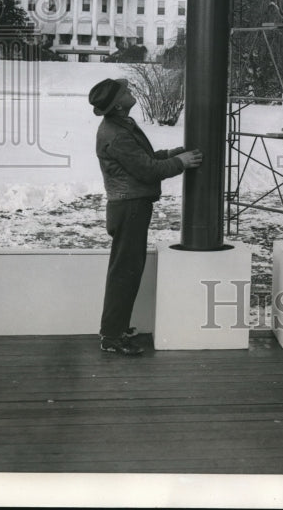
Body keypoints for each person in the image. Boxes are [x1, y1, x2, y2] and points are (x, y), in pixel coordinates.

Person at [88, 76, 203, 356]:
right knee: (124, 272)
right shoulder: (115, 134)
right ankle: (112, 337)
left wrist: (175, 154)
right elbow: (148, 171)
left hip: (132, 205)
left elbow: (147, 158)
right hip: (129, 207)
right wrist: (180, 163)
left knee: (127, 269)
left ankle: (116, 329)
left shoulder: (121, 125)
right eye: (125, 91)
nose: (130, 91)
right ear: (117, 106)